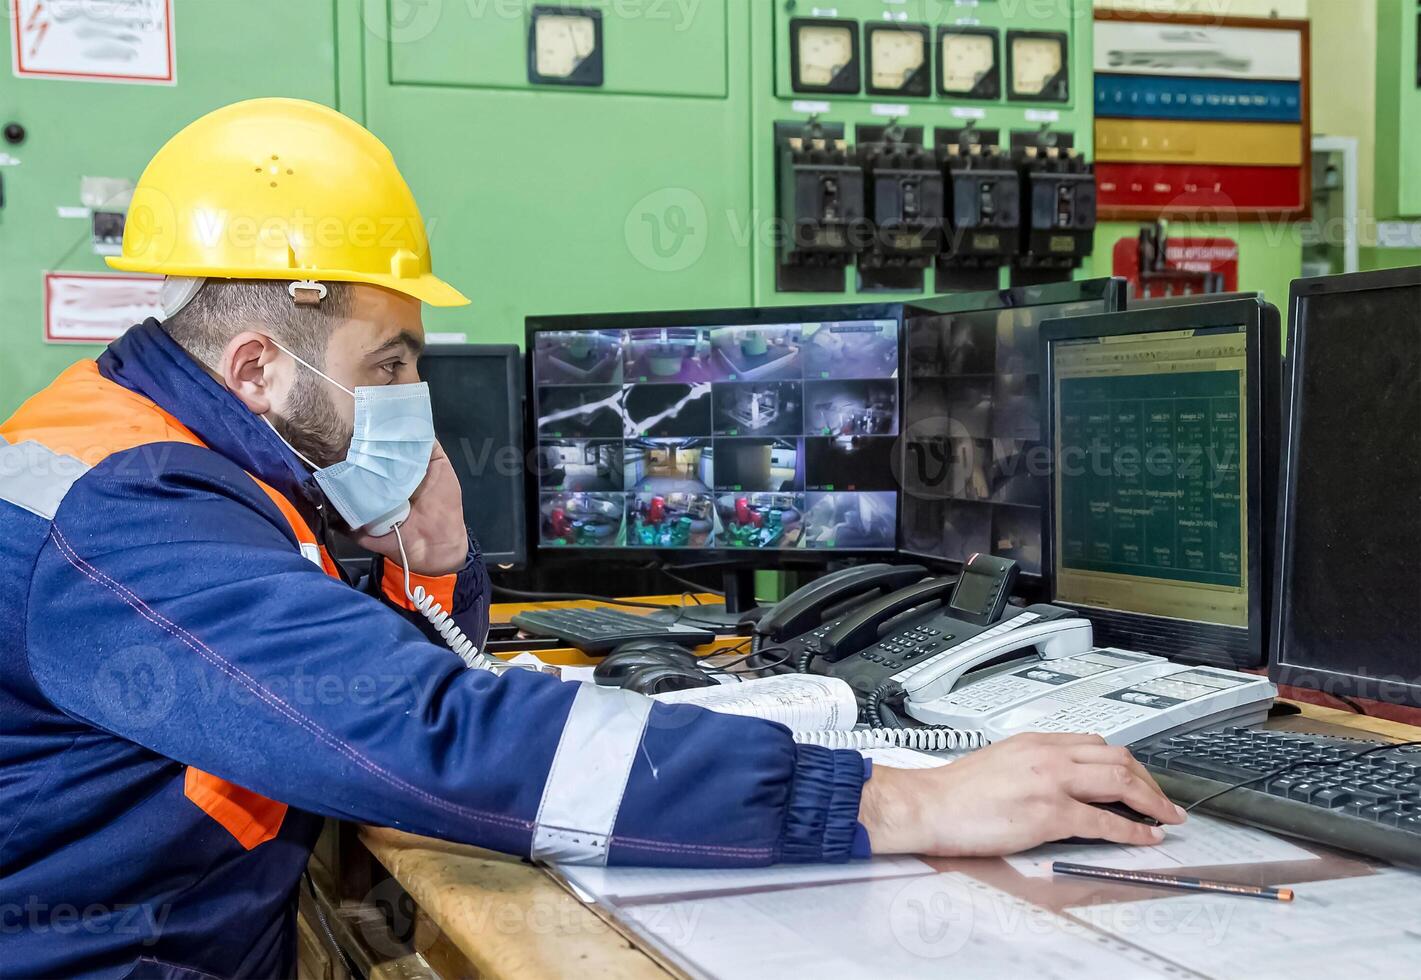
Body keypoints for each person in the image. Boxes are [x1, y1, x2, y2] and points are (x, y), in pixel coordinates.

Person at [0, 99, 1184, 979]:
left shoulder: (170, 455)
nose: (415, 393)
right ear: (258, 366)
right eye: (391, 364)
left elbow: (367, 691)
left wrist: (442, 559)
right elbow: (424, 734)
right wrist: (899, 799)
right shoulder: (134, 514)